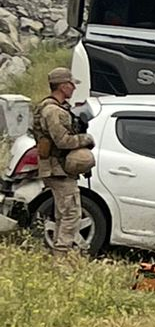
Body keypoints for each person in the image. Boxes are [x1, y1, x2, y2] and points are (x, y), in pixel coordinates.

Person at [31, 67, 93, 255]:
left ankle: (59, 250)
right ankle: (62, 254)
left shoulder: (56, 108)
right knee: (71, 213)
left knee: (63, 212)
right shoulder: (53, 111)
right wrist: (86, 139)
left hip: (58, 167)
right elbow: (63, 141)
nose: (73, 88)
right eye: (71, 85)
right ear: (63, 86)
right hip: (56, 168)